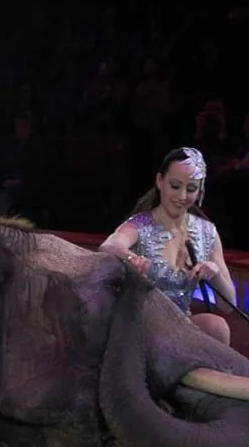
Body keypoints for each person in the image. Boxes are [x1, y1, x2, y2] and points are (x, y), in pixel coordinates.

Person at [99, 147, 237, 345]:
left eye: (191, 189)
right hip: (142, 323)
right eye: (175, 186)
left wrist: (214, 273)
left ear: (200, 191)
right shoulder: (140, 224)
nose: (182, 196)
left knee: (216, 326)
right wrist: (130, 257)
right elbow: (109, 245)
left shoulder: (208, 232)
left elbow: (228, 305)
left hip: (181, 322)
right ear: (160, 181)